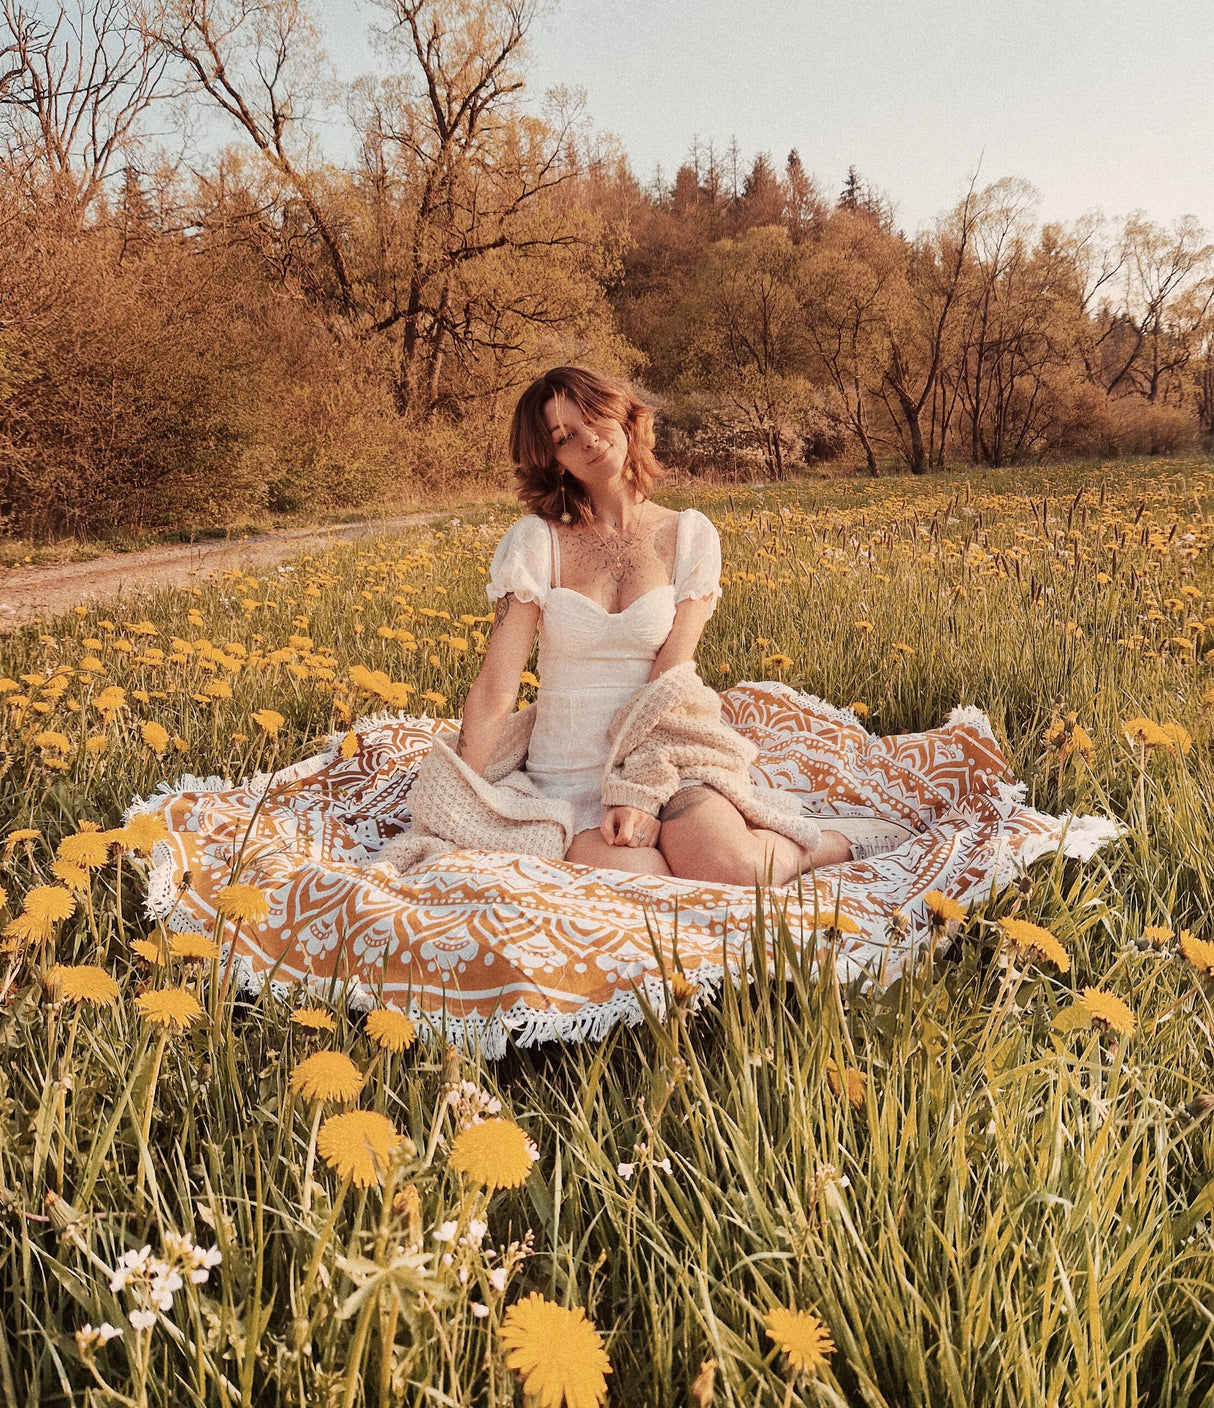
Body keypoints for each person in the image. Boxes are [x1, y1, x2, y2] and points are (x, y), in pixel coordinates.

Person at [453, 366, 902, 886]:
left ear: (624, 415)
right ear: (550, 459)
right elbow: (496, 686)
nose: (590, 439)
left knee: (735, 872)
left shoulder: (688, 535)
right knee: (649, 890)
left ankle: (822, 844)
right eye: (564, 436)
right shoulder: (536, 542)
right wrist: (463, 792)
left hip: (666, 752)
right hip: (570, 777)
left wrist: (640, 791)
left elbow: (669, 678)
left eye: (595, 416)